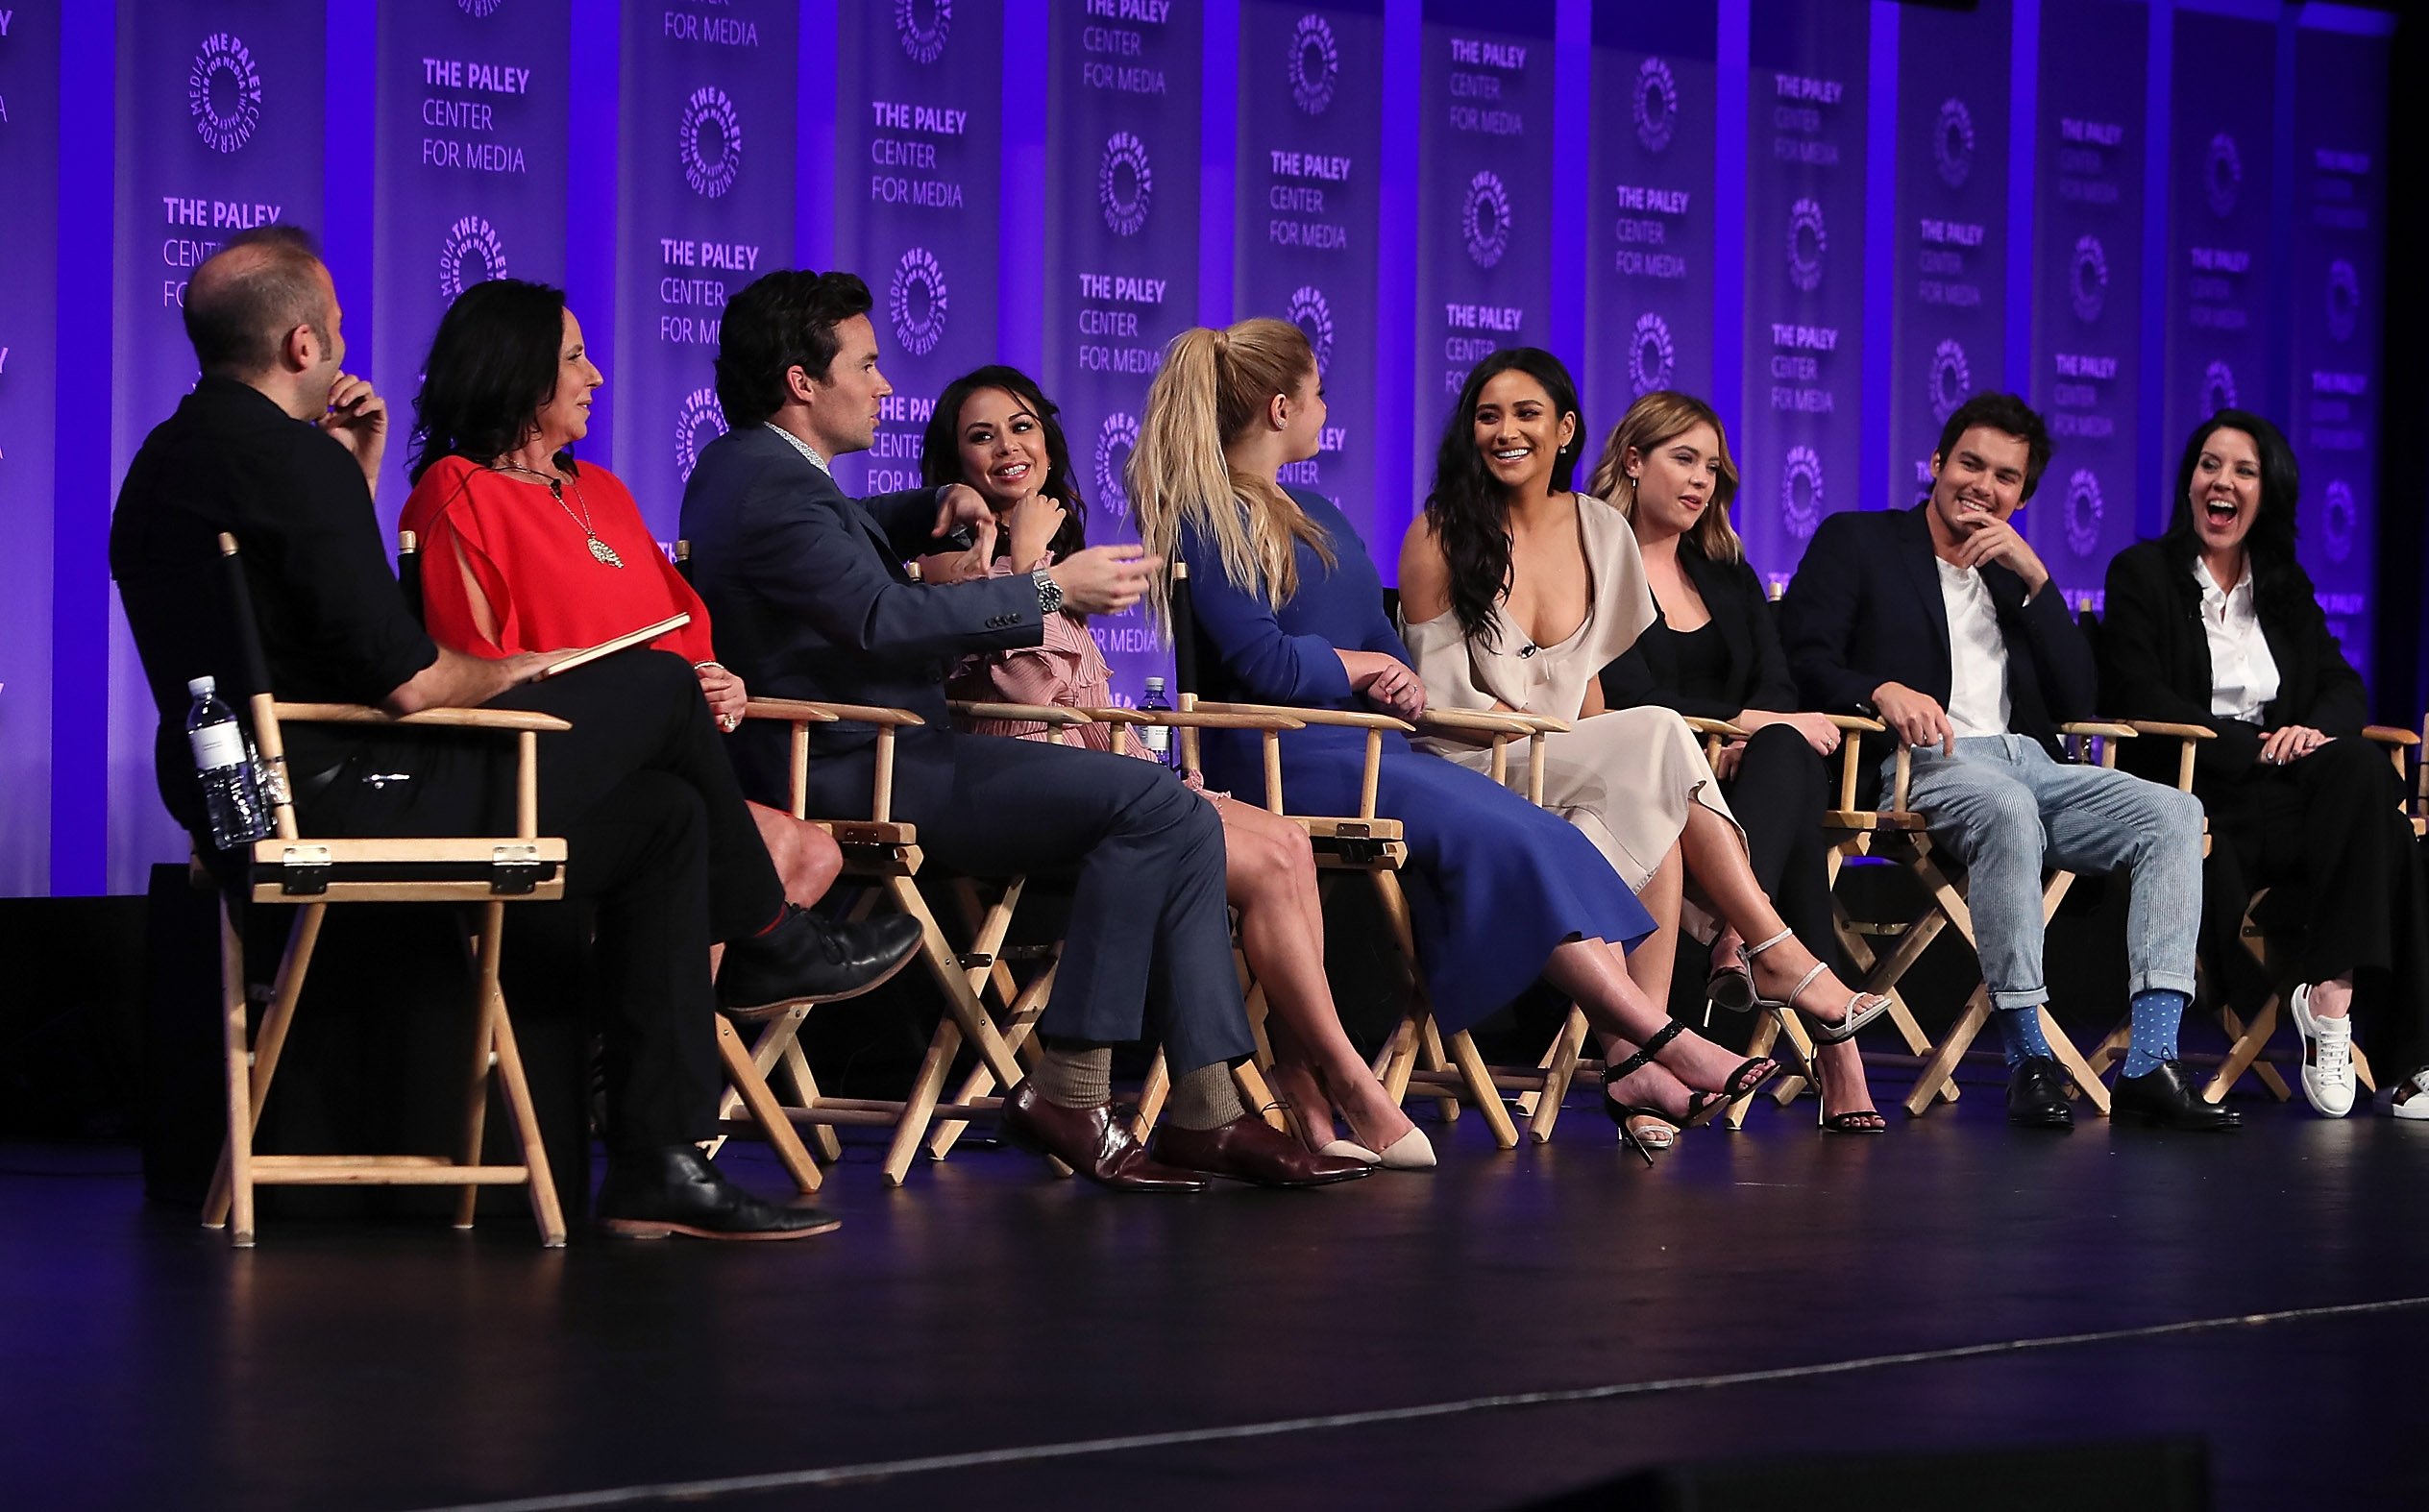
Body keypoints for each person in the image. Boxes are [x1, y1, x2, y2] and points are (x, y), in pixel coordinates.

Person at [110, 227, 912, 1241]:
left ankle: (658, 1161)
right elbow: (409, 680)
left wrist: (354, 481)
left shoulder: (165, 462)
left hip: (235, 791)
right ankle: (771, 938)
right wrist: (529, 669)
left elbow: (308, 632)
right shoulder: (288, 462)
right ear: (303, 347)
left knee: (664, 817)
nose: (347, 355)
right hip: (341, 788)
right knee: (659, 694)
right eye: (341, 333)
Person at [677, 271, 1367, 1188]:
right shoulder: (768, 483)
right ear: (803, 382)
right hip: (862, 766)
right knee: (1159, 809)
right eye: (868, 364)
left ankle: (1206, 1113)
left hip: (896, 749)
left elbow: (843, 531)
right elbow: (883, 619)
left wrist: (935, 502)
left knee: (1178, 814)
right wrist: (1050, 590)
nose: (886, 385)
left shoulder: (764, 471)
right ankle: (1073, 1089)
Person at [1141, 319, 1784, 1158]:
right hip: (1283, 760)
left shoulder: (1320, 511)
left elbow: (1373, 638)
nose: (1325, 407)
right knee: (1507, 829)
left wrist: (1389, 671)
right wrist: (1364, 665)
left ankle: (1645, 1043)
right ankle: (1659, 1038)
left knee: (1530, 829)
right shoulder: (1210, 512)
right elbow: (1260, 661)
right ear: (1280, 406)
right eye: (1320, 393)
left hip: (1375, 755)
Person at [920, 362, 1426, 1165]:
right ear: (954, 462)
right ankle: (1336, 1081)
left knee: (1287, 845)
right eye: (981, 436)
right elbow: (1015, 676)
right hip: (1019, 795)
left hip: (1107, 781)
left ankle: (1285, 1086)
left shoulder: (1056, 552)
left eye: (1022, 427)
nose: (1009, 447)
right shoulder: (953, 560)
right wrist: (1027, 563)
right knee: (1248, 858)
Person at [1399, 350, 1890, 1146]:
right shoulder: (1439, 533)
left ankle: (1642, 1064)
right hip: (1473, 764)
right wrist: (1590, 749)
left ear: (1564, 430)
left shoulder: (1599, 530)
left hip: (1558, 759)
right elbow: (1447, 705)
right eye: (1489, 415)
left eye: (1528, 415)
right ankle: (1769, 953)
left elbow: (1588, 683)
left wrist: (1597, 755)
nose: (1506, 431)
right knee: (1658, 736)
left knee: (1654, 800)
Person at [1780, 390, 2233, 1131]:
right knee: (2006, 806)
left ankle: (2152, 1062)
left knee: (2174, 812)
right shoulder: (1859, 542)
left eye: (2006, 478)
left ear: (2022, 495)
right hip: (1923, 761)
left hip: (2034, 761)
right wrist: (1880, 689)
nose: (1983, 486)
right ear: (1935, 464)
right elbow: (1803, 657)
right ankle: (2029, 1057)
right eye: (1969, 464)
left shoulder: (2008, 578)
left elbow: (2080, 696)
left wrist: (2040, 581)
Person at [394, 279, 846, 929]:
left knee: (816, 852)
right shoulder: (457, 488)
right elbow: (478, 670)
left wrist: (717, 682)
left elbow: (682, 637)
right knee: (772, 847)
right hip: (544, 767)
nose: (597, 376)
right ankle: (759, 960)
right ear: (518, 368)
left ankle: (703, 1007)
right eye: (575, 357)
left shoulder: (604, 489)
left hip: (663, 765)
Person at [2100, 410, 2429, 1120]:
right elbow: (2136, 691)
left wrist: (2307, 733)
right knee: (2384, 828)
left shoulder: (2282, 585)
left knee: (2368, 790)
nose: (2223, 482)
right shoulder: (2143, 574)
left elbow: (2343, 686)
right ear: (2188, 484)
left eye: (2244, 471)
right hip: (2201, 795)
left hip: (2292, 795)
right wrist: (2257, 747)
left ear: (2267, 493)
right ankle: (2404, 1058)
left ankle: (2334, 1007)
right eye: (2210, 465)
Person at [1591, 390, 1882, 1134]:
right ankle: (1826, 1032)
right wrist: (1733, 730)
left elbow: (1777, 683)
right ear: (1632, 459)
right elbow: (1625, 691)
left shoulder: (1726, 570)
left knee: (1787, 750)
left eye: (1712, 469)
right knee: (1787, 764)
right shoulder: (1594, 560)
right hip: (1645, 778)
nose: (1700, 482)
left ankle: (1734, 929)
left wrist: (1755, 733)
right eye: (1683, 459)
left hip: (1747, 781)